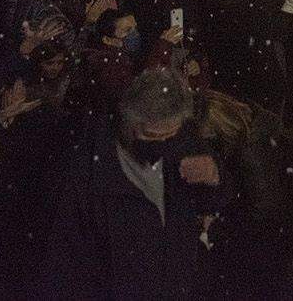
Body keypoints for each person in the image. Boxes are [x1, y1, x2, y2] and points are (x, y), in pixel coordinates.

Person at [45, 67, 225, 300]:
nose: (162, 144)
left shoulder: (184, 142)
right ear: (128, 124)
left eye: (170, 134)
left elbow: (215, 199)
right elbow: (65, 262)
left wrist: (214, 176)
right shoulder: (88, 172)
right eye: (151, 136)